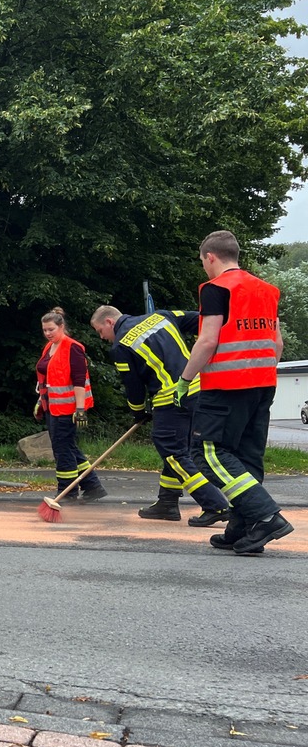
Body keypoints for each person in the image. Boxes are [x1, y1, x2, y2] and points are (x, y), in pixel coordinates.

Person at [176, 230, 293, 555]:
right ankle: (243, 527)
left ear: (210, 257)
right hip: (263, 385)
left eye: (202, 262)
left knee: (208, 453)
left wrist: (186, 379)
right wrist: (262, 373)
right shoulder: (267, 290)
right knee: (247, 457)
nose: (203, 268)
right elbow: (277, 342)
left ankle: (268, 517)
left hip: (226, 387)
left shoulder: (216, 289)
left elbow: (208, 340)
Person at [89, 305, 231, 526]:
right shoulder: (161, 316)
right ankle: (167, 503)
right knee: (177, 449)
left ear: (109, 322)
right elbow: (200, 320)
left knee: (173, 452)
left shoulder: (121, 346)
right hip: (198, 389)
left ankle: (215, 504)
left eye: (100, 331)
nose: (102, 337)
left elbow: (133, 386)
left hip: (171, 398)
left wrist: (137, 412)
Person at [36, 307, 108, 502]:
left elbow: (79, 380)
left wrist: (80, 409)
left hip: (68, 409)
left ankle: (67, 491)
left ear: (62, 326)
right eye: (45, 330)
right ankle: (92, 486)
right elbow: (47, 378)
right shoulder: (48, 348)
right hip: (52, 406)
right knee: (68, 446)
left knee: (62, 448)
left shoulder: (73, 347)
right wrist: (40, 402)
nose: (48, 333)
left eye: (51, 329)